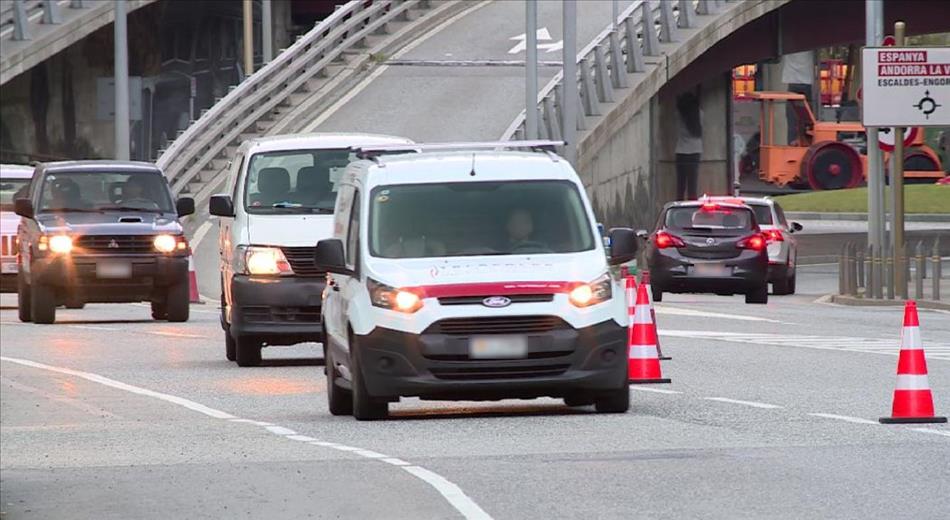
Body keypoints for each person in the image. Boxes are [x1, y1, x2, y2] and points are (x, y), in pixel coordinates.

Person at [781, 50, 815, 144]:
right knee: (808, 118)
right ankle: (807, 142)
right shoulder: (810, 43)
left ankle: (792, 142)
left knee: (792, 117)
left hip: (792, 81)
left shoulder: (788, 43)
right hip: (807, 81)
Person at [675, 91, 703, 200]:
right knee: (693, 186)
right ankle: (691, 207)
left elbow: (677, 102)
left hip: (681, 151)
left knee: (680, 185)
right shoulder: (699, 114)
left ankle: (679, 207)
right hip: (695, 152)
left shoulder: (679, 115)